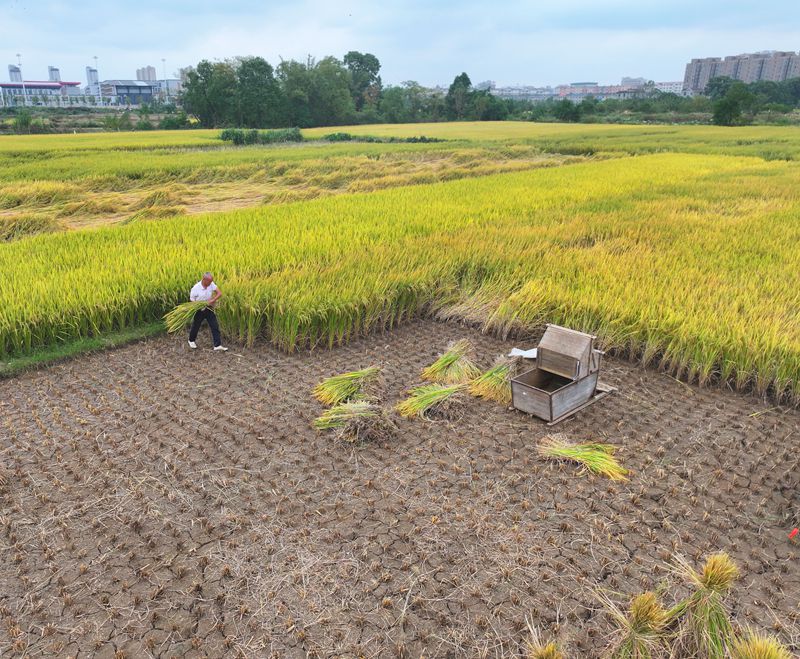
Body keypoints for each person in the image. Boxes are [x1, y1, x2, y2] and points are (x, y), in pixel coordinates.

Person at [188, 272, 228, 351]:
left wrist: (213, 300)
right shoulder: (196, 288)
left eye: (211, 282)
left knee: (215, 326)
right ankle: (191, 340)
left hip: (209, 308)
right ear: (204, 280)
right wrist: (200, 305)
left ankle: (217, 345)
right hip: (199, 309)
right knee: (196, 325)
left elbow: (219, 293)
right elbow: (192, 300)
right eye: (209, 282)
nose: (210, 283)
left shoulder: (211, 284)